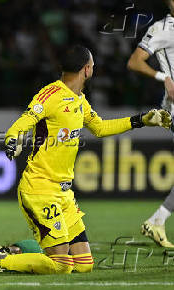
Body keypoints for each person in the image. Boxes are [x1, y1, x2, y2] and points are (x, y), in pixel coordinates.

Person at [0, 45, 172, 276]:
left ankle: (14, 253)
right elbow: (24, 120)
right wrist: (13, 140)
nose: (93, 68)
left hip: (64, 194)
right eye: (92, 65)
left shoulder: (79, 100)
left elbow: (101, 127)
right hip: (39, 189)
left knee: (84, 265)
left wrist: (141, 120)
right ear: (87, 70)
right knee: (62, 266)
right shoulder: (51, 95)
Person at [127, 0, 174, 248]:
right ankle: (157, 220)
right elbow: (135, 61)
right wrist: (163, 77)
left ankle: (157, 220)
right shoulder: (162, 28)